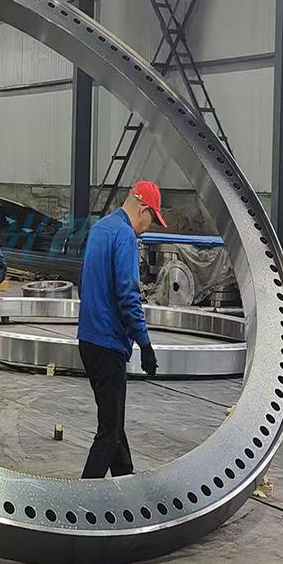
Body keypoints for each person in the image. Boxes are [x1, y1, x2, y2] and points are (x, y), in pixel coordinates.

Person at [77, 180, 165, 479]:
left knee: (114, 424)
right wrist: (145, 343)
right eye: (152, 220)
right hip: (108, 345)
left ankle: (125, 482)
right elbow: (128, 294)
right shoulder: (125, 235)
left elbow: (83, 282)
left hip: (88, 341)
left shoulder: (100, 228)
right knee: (109, 434)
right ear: (143, 209)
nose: (147, 228)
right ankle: (81, 501)